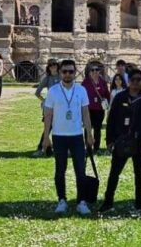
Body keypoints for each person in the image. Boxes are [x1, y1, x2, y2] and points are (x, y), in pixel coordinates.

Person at [100, 69, 141, 212]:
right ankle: (108, 202)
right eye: (133, 80)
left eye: (139, 79)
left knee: (139, 174)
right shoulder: (120, 97)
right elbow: (111, 119)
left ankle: (139, 203)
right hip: (121, 140)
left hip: (140, 142)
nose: (136, 82)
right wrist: (109, 140)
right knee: (114, 173)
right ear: (129, 81)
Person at [41, 60, 95, 215]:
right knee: (60, 170)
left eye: (71, 71)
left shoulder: (81, 90)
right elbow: (48, 115)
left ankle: (81, 201)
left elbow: (85, 113)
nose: (68, 74)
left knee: (80, 170)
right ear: (60, 73)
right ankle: (62, 200)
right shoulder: (53, 91)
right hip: (59, 136)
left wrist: (89, 134)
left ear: (75, 72)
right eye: (64, 71)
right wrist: (46, 137)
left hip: (77, 135)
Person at [33, 59, 61, 157]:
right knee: (47, 128)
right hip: (50, 108)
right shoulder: (47, 79)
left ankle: (58, 149)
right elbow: (37, 92)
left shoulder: (62, 77)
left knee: (60, 129)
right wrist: (44, 100)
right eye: (51, 65)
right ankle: (41, 148)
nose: (53, 67)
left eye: (55, 65)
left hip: (61, 108)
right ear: (48, 68)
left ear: (58, 66)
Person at [82, 66, 111, 153]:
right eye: (92, 70)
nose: (95, 71)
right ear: (90, 72)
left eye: (97, 70)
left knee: (97, 129)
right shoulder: (86, 82)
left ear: (99, 72)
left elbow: (107, 94)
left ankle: (96, 148)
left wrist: (107, 102)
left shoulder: (102, 82)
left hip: (99, 109)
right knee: (88, 128)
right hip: (89, 109)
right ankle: (88, 147)